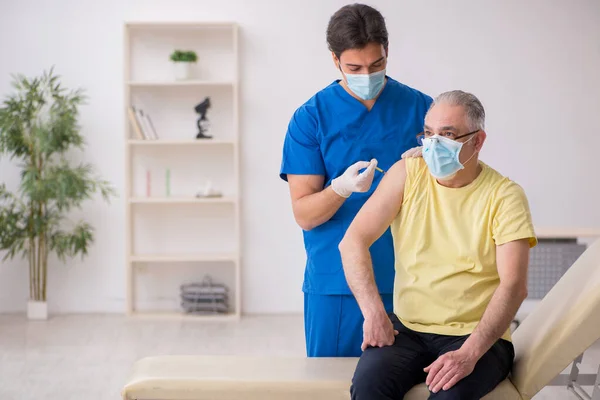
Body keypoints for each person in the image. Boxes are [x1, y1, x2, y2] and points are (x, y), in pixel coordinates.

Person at [339, 90, 537, 399]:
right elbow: (352, 241)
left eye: (447, 135)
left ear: (478, 141)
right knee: (369, 388)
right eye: (428, 134)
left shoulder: (505, 196)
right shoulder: (407, 174)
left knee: (449, 397)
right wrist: (374, 312)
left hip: (476, 336)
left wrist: (470, 353)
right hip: (407, 329)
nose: (433, 145)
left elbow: (514, 286)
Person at [279, 4, 432, 357]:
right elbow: (304, 214)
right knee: (330, 386)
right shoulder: (310, 119)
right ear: (335, 61)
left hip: (412, 278)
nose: (368, 75)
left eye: (376, 65)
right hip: (337, 284)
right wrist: (339, 189)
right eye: (354, 68)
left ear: (387, 52)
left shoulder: (422, 110)